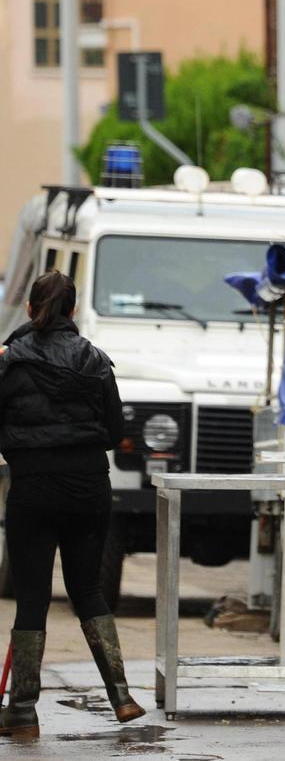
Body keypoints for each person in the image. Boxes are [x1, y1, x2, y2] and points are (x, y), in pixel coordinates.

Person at [0, 271, 142, 737]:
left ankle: (22, 710)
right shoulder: (96, 361)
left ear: (29, 309)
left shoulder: (9, 361)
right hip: (87, 489)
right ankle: (120, 696)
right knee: (88, 591)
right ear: (74, 311)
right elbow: (114, 431)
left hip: (32, 488)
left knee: (33, 598)